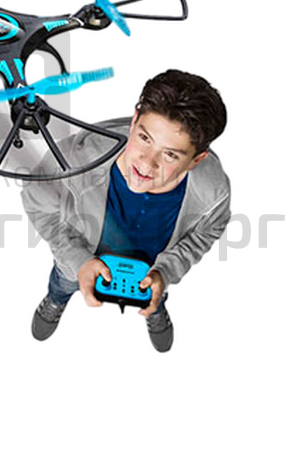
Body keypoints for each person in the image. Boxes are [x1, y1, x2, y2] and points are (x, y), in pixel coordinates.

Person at [21, 69, 230, 352]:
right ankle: (56, 300)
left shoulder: (214, 190)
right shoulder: (73, 158)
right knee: (63, 281)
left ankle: (154, 307)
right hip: (78, 259)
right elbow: (37, 202)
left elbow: (209, 230)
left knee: (153, 294)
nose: (146, 164)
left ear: (196, 160)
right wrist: (78, 260)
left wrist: (165, 271)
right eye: (144, 138)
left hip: (150, 272)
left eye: (170, 154)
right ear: (134, 121)